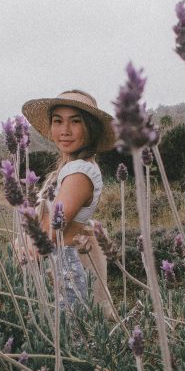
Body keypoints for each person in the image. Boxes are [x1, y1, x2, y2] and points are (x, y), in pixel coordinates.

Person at [21, 89, 116, 312]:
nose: (64, 130)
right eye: (58, 121)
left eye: (75, 121)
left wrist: (19, 247)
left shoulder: (79, 172)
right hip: (56, 266)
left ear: (90, 128)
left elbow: (49, 234)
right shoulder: (72, 168)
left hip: (63, 271)